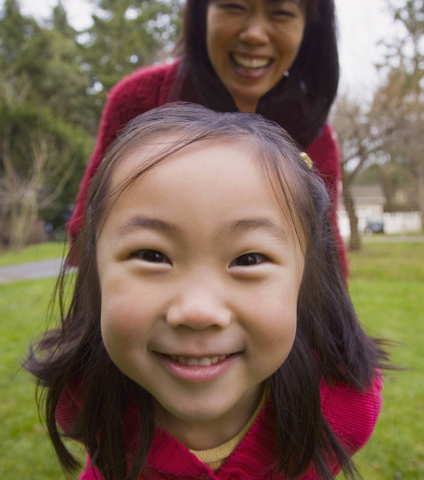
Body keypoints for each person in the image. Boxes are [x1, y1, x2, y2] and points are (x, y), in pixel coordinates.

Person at [27, 103, 388, 480]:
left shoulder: (341, 413)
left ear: (306, 280)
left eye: (248, 259)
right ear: (95, 272)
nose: (198, 311)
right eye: (152, 255)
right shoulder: (87, 399)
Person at [67, 0, 346, 272]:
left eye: (281, 13)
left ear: (309, 28)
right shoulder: (140, 100)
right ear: (202, 14)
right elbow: (87, 234)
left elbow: (327, 264)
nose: (254, 34)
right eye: (234, 7)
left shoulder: (315, 133)